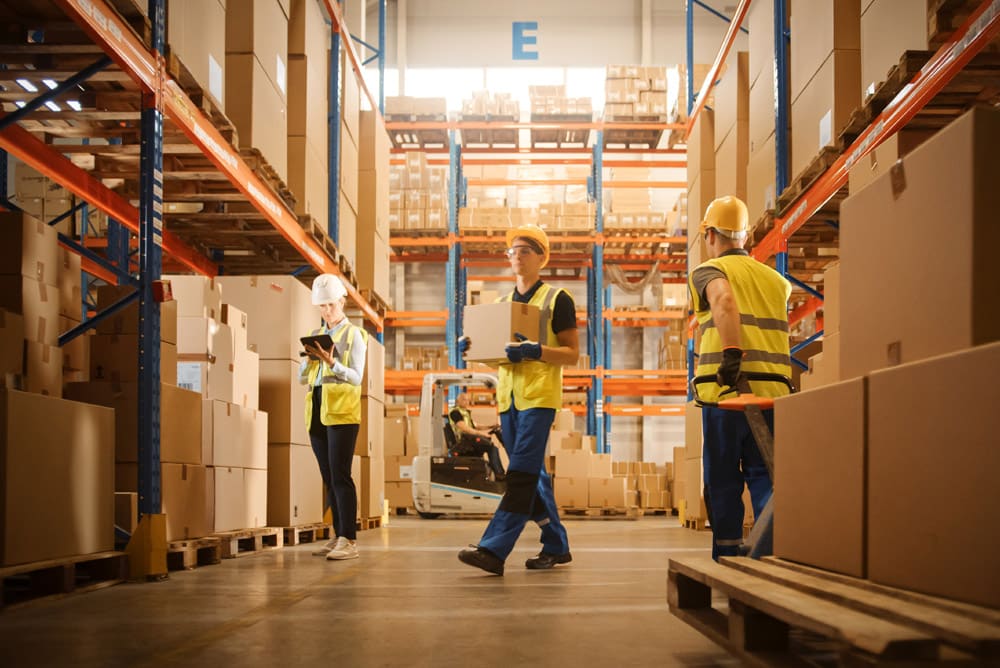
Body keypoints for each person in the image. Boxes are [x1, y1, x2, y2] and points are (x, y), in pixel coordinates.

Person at [457, 224, 579, 576]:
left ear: (542, 257)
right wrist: (472, 350)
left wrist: (537, 350)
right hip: (509, 401)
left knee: (520, 475)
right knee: (533, 477)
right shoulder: (501, 304)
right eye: (512, 250)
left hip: (539, 399)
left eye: (525, 249)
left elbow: (571, 354)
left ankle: (493, 550)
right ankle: (557, 545)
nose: (517, 256)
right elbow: (497, 355)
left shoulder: (557, 299)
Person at [688, 196, 792, 561]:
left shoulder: (709, 271)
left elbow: (724, 303)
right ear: (745, 236)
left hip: (727, 393)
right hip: (773, 394)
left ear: (710, 234)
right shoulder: (778, 282)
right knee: (765, 476)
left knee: (722, 479)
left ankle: (729, 557)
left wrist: (731, 355)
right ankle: (767, 555)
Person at [300, 273, 368, 561]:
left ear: (342, 301)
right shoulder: (318, 336)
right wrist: (306, 362)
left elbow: (356, 377)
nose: (327, 310)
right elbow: (307, 379)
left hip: (342, 414)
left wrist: (332, 363)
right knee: (328, 477)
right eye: (322, 306)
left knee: (341, 476)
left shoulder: (355, 335)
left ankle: (349, 539)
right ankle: (337, 534)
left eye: (330, 304)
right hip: (317, 411)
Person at [448, 391, 506, 481]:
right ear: (457, 401)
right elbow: (464, 428)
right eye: (463, 400)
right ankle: (499, 474)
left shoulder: (465, 412)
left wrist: (491, 426)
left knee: (490, 446)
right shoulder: (455, 413)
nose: (466, 402)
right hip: (464, 441)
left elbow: (476, 426)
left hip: (469, 439)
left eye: (467, 400)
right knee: (491, 447)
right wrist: (480, 434)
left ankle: (495, 470)